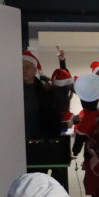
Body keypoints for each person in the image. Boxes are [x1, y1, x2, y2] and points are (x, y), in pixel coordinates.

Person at [22, 51, 69, 189]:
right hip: (19, 143)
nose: (24, 70)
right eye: (21, 67)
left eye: (28, 67)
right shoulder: (13, 91)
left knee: (39, 183)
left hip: (41, 144)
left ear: (35, 69)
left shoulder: (45, 91)